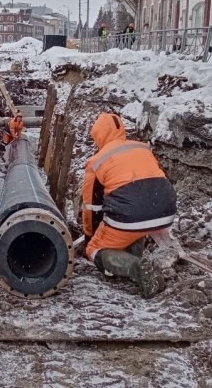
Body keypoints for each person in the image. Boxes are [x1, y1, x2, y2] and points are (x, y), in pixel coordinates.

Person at [80, 113, 177, 298]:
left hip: (131, 216)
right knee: (134, 221)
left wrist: (89, 237)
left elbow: (91, 207)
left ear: (99, 135)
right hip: (165, 211)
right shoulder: (141, 147)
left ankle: (135, 267)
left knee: (95, 249)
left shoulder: (97, 161)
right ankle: (136, 256)